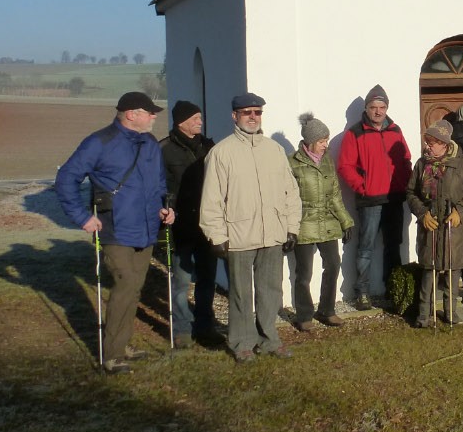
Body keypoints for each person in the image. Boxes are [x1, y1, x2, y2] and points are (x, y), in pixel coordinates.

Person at [55, 91, 175, 374]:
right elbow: (66, 178)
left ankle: (123, 346)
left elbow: (158, 183)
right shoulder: (99, 142)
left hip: (147, 228)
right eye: (149, 112)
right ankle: (112, 355)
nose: (155, 116)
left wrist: (164, 208)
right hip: (115, 230)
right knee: (125, 284)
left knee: (134, 288)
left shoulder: (149, 143)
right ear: (131, 114)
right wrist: (83, 218)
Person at [200, 93, 302, 364]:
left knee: (271, 290)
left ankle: (269, 340)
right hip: (238, 235)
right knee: (241, 294)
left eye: (257, 112)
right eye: (247, 112)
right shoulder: (221, 153)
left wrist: (292, 227)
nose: (253, 117)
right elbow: (211, 198)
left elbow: (290, 192)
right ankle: (242, 343)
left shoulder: (274, 150)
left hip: (273, 233)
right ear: (235, 116)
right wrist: (216, 235)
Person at [337, 84, 412, 310]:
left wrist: (405, 183)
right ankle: (362, 292)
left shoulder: (395, 130)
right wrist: (363, 187)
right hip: (370, 201)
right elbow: (345, 166)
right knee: (366, 248)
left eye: (382, 106)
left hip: (394, 198)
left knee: (393, 245)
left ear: (387, 108)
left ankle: (393, 290)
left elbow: (406, 159)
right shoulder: (355, 133)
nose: (378, 111)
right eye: (373, 107)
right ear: (367, 109)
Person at [405, 120, 463, 326]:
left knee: (452, 270)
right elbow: (411, 192)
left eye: (432, 142)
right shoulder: (422, 164)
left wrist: (460, 211)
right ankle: (424, 314)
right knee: (429, 271)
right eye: (427, 142)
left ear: (445, 143)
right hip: (430, 226)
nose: (428, 146)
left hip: (454, 228)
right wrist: (422, 213)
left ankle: (450, 312)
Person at [160, 99, 220, 349]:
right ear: (181, 121)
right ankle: (183, 330)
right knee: (181, 282)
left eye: (200, 117)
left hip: (207, 224)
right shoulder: (163, 149)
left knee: (207, 279)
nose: (200, 121)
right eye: (195, 118)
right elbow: (158, 185)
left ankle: (205, 326)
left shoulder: (209, 146)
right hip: (180, 226)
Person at [288, 113, 355, 330]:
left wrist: (346, 222)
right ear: (309, 142)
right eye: (321, 141)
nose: (325, 145)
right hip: (304, 225)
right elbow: (286, 197)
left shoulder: (327, 162)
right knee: (303, 274)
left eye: (326, 140)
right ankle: (304, 315)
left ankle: (327, 310)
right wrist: (287, 229)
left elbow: (335, 195)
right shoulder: (293, 163)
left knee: (333, 265)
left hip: (327, 223)